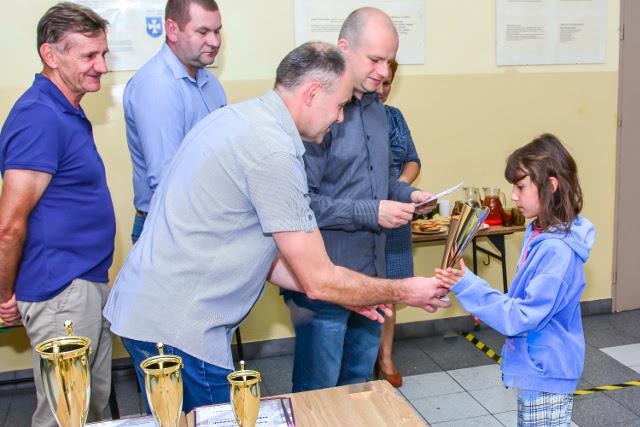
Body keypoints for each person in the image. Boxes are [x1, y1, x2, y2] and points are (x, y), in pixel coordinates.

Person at [104, 41, 449, 413]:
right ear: (312, 93)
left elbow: (267, 259)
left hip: (152, 315)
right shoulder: (273, 152)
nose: (340, 119)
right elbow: (318, 279)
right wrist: (404, 290)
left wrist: (349, 294)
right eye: (340, 106)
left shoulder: (244, 119)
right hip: (178, 330)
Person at [282, 7, 435, 393]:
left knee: (359, 388)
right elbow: (302, 203)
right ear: (344, 48)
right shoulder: (317, 110)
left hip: (372, 276)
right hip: (326, 281)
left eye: (390, 61)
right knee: (319, 393)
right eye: (375, 59)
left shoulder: (377, 110)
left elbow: (379, 182)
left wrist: (409, 195)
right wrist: (373, 211)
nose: (384, 72)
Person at [0, 3, 115, 426]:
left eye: (103, 54)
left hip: (83, 281)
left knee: (89, 408)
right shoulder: (39, 117)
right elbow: (8, 225)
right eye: (89, 56)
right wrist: (4, 294)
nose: (102, 66)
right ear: (50, 55)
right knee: (63, 415)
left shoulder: (64, 108)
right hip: (60, 292)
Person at [436, 134, 594, 427]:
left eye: (521, 186)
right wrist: (477, 292)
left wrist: (469, 288)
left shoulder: (557, 251)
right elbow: (521, 302)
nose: (514, 195)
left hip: (546, 372)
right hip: (536, 365)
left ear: (550, 186)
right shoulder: (538, 232)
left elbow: (521, 316)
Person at [124, 0, 226, 243]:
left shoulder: (210, 82)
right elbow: (166, 180)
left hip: (206, 224)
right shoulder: (156, 85)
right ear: (172, 30)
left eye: (217, 31)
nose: (214, 41)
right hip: (170, 230)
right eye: (203, 32)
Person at [375, 59, 422, 388]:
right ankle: (364, 357)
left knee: (390, 289)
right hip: (365, 213)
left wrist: (400, 187)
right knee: (364, 287)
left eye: (388, 83)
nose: (382, 89)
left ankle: (386, 356)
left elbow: (413, 160)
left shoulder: (395, 117)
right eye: (378, 82)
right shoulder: (345, 115)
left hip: (397, 215)